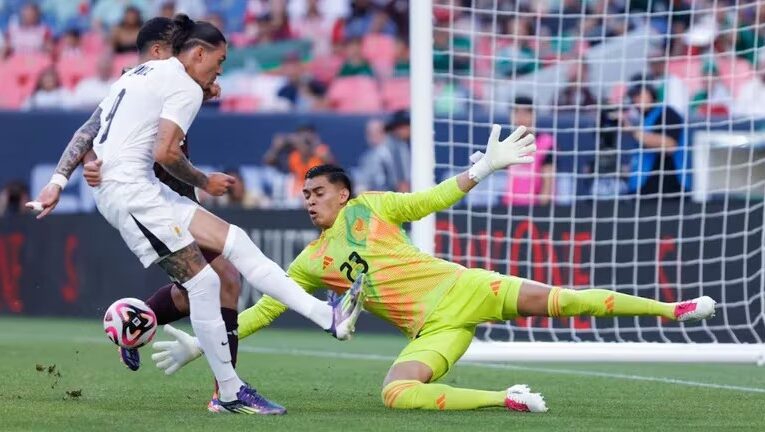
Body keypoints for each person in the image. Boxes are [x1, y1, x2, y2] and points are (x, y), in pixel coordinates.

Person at [151, 127, 716, 412]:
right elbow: (266, 310)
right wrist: (205, 344)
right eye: (304, 193)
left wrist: (482, 170)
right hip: (435, 331)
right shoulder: (308, 263)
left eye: (318, 191)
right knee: (394, 395)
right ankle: (508, 399)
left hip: (464, 288)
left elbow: (433, 198)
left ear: (343, 192)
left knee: (563, 301)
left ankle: (674, 309)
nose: (308, 200)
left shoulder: (371, 206)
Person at [28, 15, 363, 415]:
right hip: (132, 195)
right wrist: (205, 180)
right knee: (206, 285)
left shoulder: (136, 75)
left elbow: (90, 130)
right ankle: (229, 392)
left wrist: (57, 182)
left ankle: (329, 317)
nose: (220, 71)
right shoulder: (182, 84)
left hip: (144, 190)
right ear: (197, 52)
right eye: (218, 62)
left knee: (235, 244)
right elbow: (166, 153)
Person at [32, 16, 235, 374]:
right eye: (178, 50)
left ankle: (134, 324)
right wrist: (85, 165)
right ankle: (227, 388)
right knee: (222, 280)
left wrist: (206, 90)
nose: (186, 59)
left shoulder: (166, 81)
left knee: (198, 287)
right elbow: (91, 132)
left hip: (173, 192)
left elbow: (97, 134)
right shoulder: (140, 81)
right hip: (150, 196)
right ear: (159, 51)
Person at [624, 82, 691, 198]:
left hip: (668, 192)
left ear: (651, 93)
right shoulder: (643, 120)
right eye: (633, 96)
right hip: (645, 191)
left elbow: (670, 146)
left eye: (639, 94)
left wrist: (633, 132)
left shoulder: (667, 113)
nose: (636, 99)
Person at [503, 96, 554, 206]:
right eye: (516, 112)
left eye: (525, 113)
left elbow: (548, 180)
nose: (520, 117)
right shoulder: (506, 143)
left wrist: (542, 207)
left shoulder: (546, 142)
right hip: (509, 206)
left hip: (535, 207)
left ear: (533, 115)